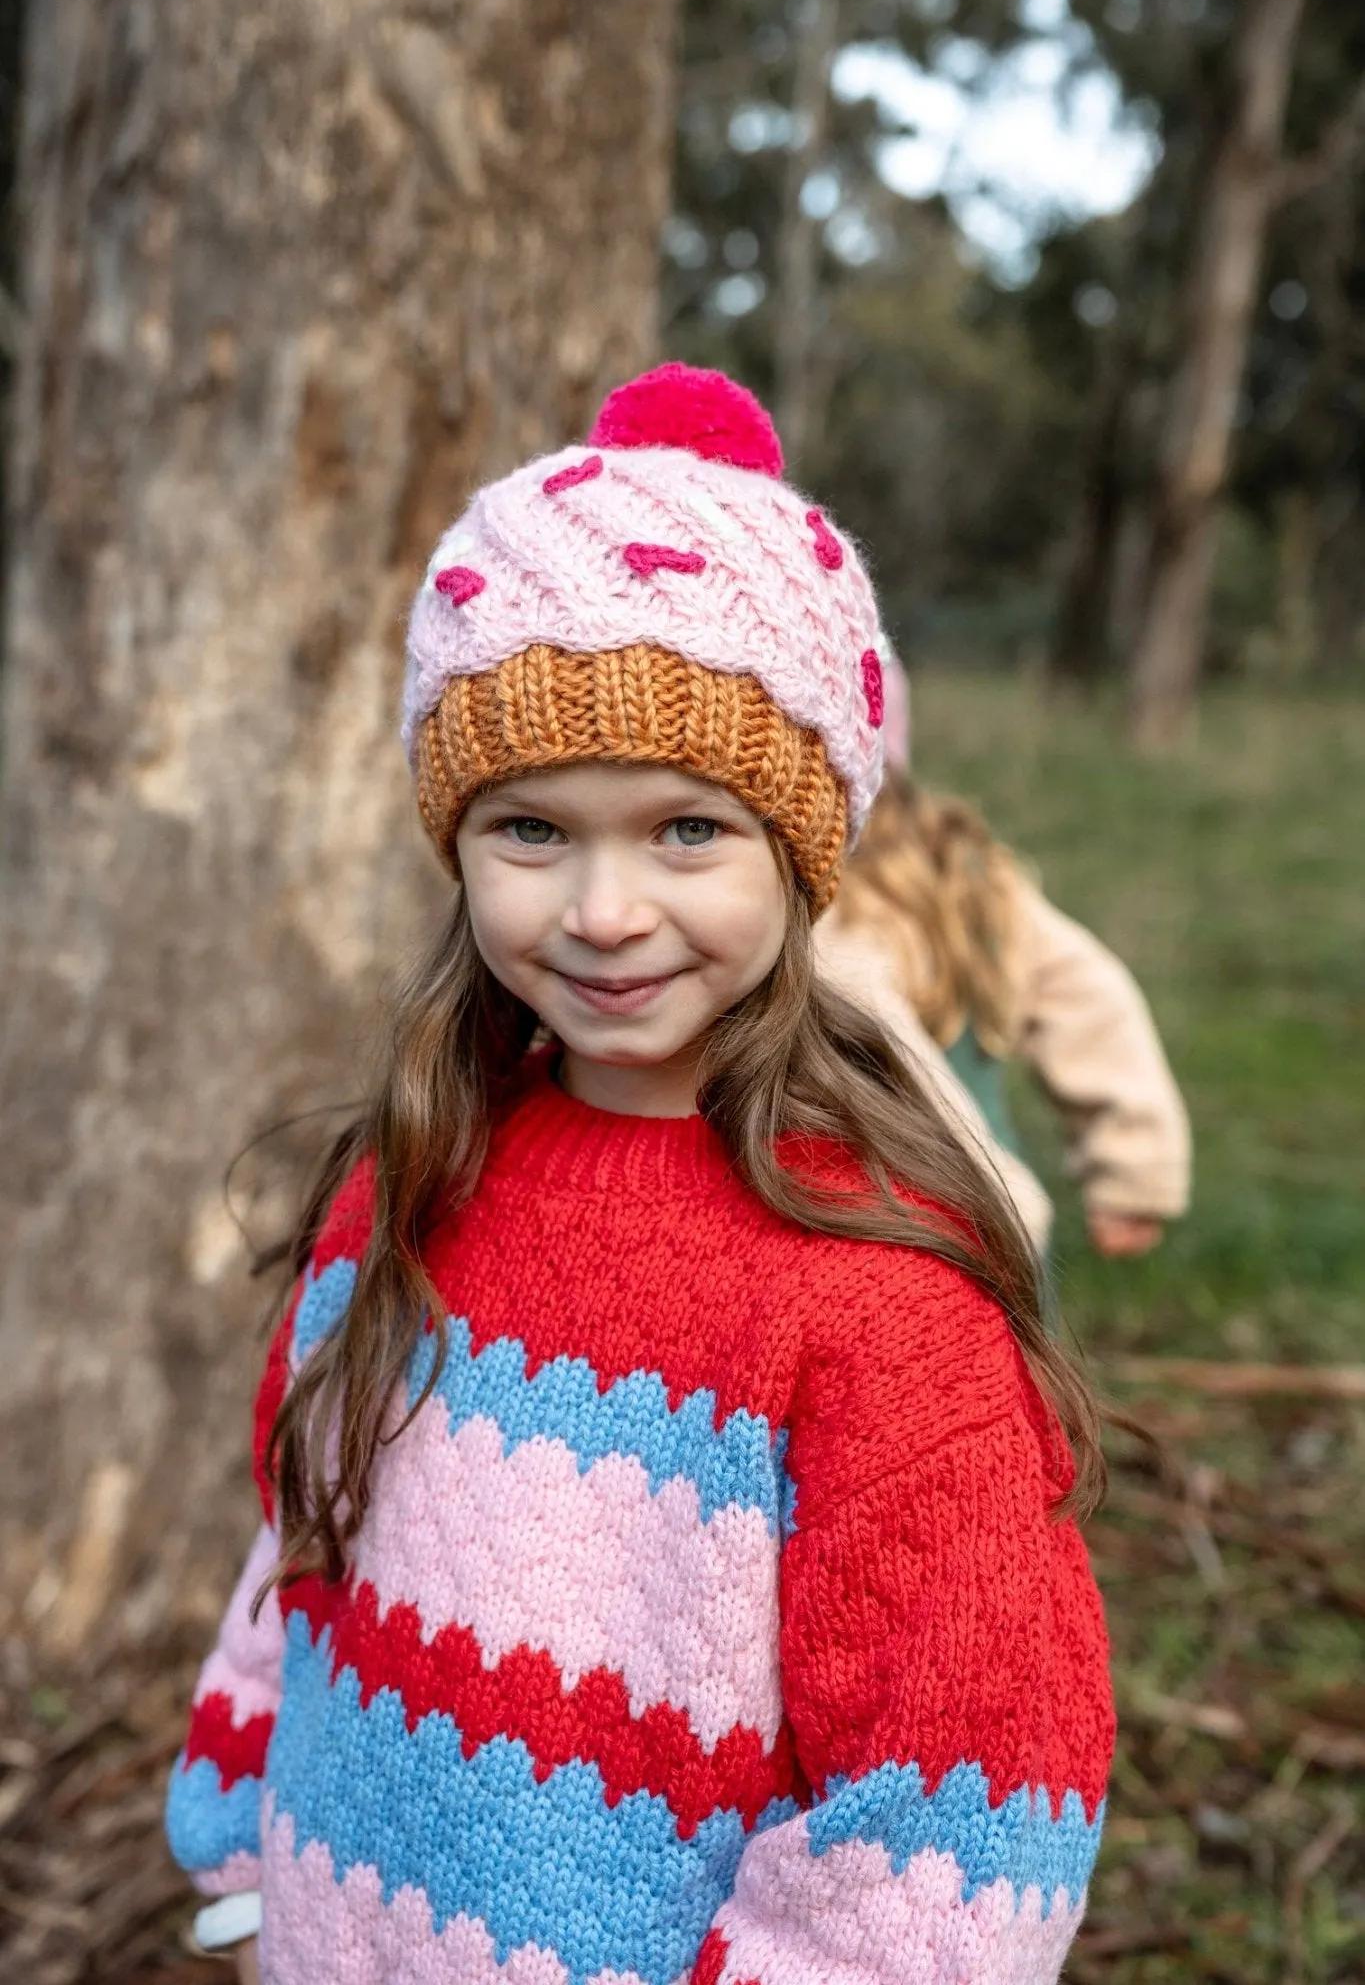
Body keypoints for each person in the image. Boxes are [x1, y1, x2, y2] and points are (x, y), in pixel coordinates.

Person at [166, 364, 1114, 1985]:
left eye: (688, 830)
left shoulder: (879, 1292)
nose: (604, 910)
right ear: (453, 842)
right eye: (531, 828)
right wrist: (249, 1848)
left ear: (802, 847)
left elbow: (960, 1813)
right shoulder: (419, 1172)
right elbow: (299, 1537)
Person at [819, 657, 1190, 1263]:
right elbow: (1091, 994)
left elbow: (897, 1060)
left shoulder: (824, 917)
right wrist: (1134, 1167)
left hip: (935, 1240)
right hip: (996, 1226)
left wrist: (999, 1206)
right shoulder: (974, 873)